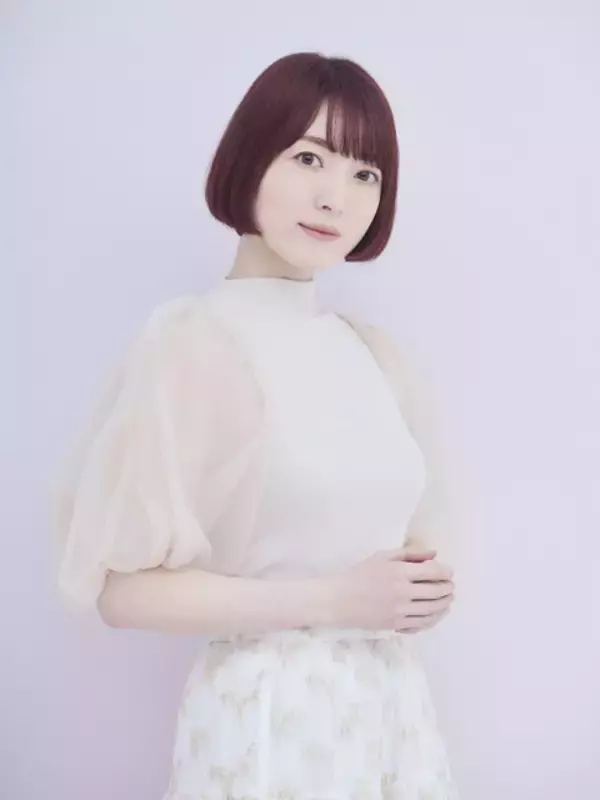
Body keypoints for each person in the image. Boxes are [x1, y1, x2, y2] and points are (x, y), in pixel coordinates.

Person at [52, 52, 460, 799]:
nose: (335, 197)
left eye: (366, 174)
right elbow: (120, 590)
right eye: (309, 158)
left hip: (391, 708)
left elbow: (396, 546)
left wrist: (417, 590)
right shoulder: (195, 342)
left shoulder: (372, 352)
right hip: (269, 717)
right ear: (251, 155)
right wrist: (333, 600)